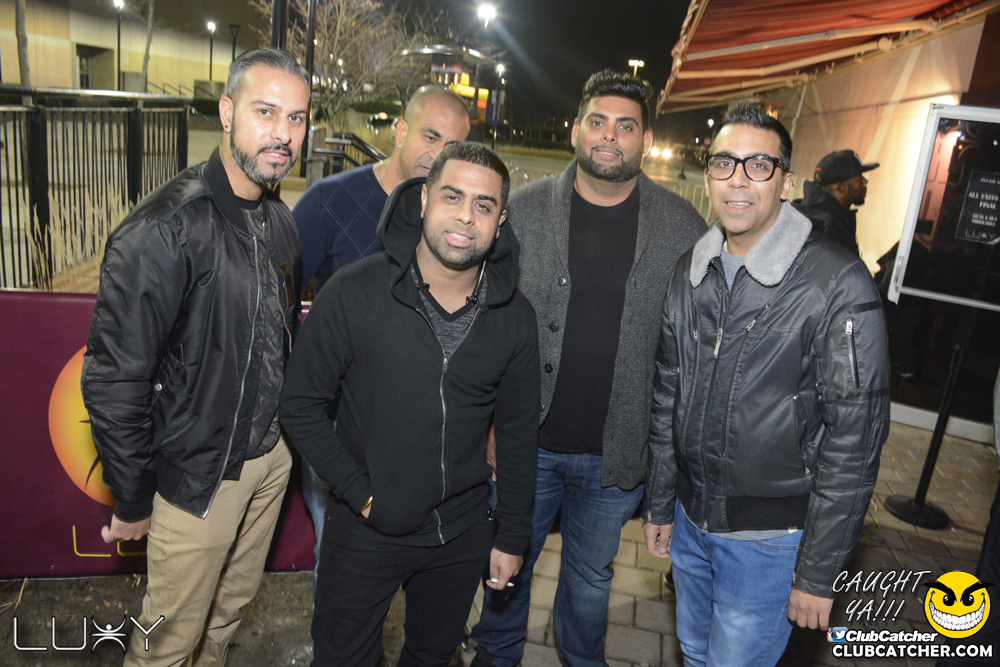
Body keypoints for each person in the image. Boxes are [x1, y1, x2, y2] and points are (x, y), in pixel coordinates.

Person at [470, 69, 705, 667]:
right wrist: (489, 424)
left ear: (645, 140)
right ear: (576, 129)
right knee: (505, 566)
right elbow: (484, 328)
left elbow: (690, 358)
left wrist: (666, 472)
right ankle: (495, 657)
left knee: (590, 579)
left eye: (625, 126)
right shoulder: (523, 213)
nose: (609, 136)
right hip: (524, 444)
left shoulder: (683, 229)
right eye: (598, 122)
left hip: (615, 457)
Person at [642, 101, 891, 667]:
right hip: (690, 523)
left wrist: (819, 572)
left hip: (771, 542)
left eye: (758, 165)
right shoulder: (691, 269)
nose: (738, 180)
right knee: (694, 653)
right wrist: (659, 504)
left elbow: (855, 438)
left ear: (786, 183)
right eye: (724, 163)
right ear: (708, 175)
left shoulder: (836, 281)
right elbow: (667, 396)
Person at [81, 48, 308, 666]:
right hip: (197, 477)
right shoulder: (164, 228)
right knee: (167, 643)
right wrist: (133, 497)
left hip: (269, 463)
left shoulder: (281, 222)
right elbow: (114, 379)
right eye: (266, 112)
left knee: (228, 615)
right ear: (227, 113)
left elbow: (276, 342)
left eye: (296, 117)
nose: (283, 134)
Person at [279, 142, 540, 667]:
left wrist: (512, 536)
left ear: (500, 221)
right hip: (366, 530)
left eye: (484, 205)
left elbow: (517, 433)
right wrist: (361, 494)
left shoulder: (515, 316)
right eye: (452, 196)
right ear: (423, 200)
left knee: (431, 656)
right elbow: (299, 405)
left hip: (461, 534)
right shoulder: (354, 292)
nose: (465, 216)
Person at [291, 85, 469, 579]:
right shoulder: (330, 200)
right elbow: (276, 297)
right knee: (339, 558)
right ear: (401, 131)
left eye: (453, 145)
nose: (439, 154)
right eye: (430, 136)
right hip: (338, 425)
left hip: (427, 427)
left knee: (420, 560)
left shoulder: (459, 223)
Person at [792, 149, 880, 256]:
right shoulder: (828, 230)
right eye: (859, 180)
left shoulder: (802, 212)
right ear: (841, 187)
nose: (865, 182)